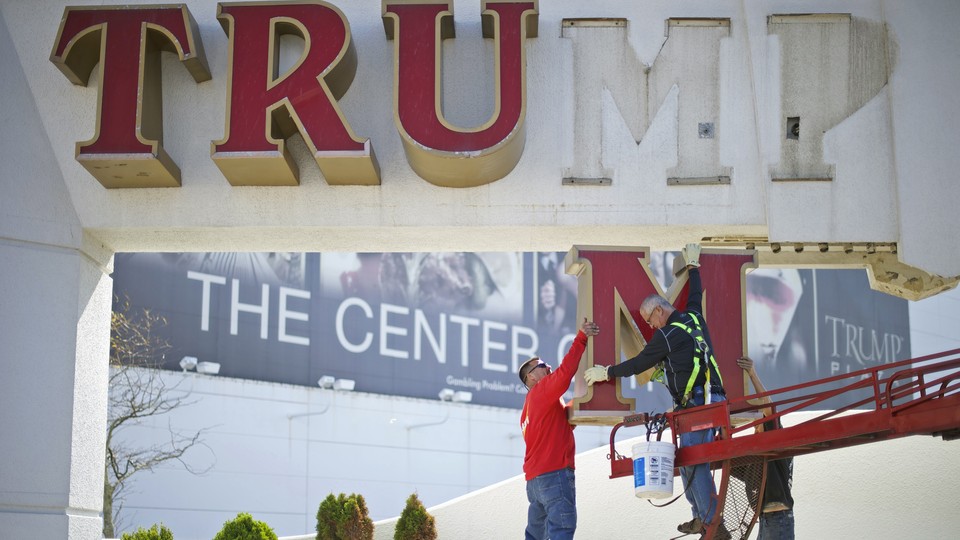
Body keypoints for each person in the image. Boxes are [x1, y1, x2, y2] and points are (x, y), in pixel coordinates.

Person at [583, 243, 730, 540]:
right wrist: (693, 268)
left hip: (699, 405)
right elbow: (695, 295)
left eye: (651, 320)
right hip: (714, 400)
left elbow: (639, 363)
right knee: (689, 458)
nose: (651, 328)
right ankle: (701, 517)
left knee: (695, 459)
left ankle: (712, 523)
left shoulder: (666, 334)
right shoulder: (694, 318)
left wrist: (607, 372)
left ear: (660, 311)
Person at [518, 317, 600, 540]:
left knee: (536, 536)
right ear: (532, 377)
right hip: (553, 476)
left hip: (535, 482)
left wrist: (583, 403)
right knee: (561, 531)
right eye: (543, 366)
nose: (549, 367)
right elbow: (565, 373)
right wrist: (581, 338)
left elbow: (559, 427)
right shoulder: (541, 391)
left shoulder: (528, 409)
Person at [737, 356, 795, 540]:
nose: (755, 427)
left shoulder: (774, 440)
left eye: (757, 423)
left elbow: (768, 407)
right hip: (768, 519)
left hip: (776, 517)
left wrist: (752, 373)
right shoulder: (756, 459)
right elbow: (728, 462)